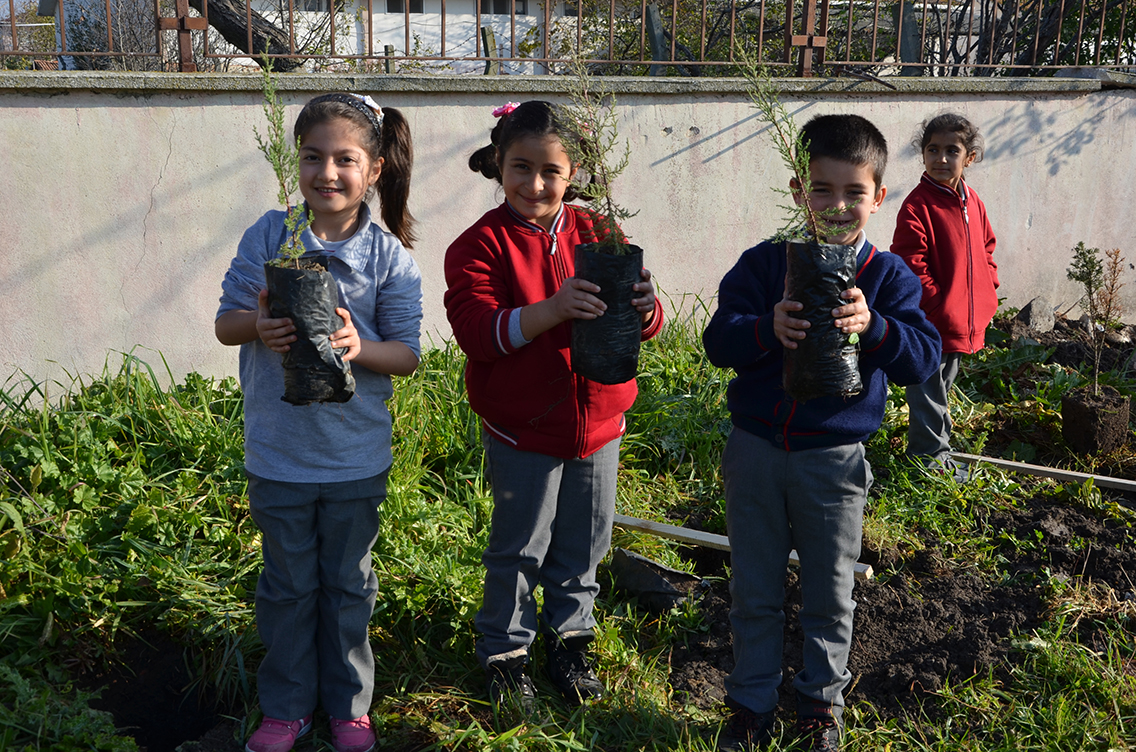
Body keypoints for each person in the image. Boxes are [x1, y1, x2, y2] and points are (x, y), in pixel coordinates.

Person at [702, 114, 940, 751]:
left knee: (830, 593)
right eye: (821, 189)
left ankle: (819, 708)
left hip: (833, 461)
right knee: (753, 587)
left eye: (853, 192)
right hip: (754, 452)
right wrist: (766, 328)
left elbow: (923, 358)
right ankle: (751, 704)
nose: (837, 206)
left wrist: (876, 326)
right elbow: (718, 341)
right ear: (797, 190)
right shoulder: (764, 265)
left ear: (878, 197)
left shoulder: (887, 277)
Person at [215, 92, 422, 752]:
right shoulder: (270, 235)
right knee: (287, 587)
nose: (326, 173)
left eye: (344, 159)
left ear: (375, 168)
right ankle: (286, 707)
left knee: (348, 587)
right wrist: (259, 325)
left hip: (354, 460)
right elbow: (225, 325)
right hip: (278, 456)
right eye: (312, 157)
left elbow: (407, 354)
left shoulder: (389, 257)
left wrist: (360, 347)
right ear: (295, 161)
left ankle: (349, 707)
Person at [443, 100, 664, 713]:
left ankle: (571, 642)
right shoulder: (480, 245)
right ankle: (506, 651)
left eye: (551, 171)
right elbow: (479, 334)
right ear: (498, 163)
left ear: (575, 173)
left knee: (585, 542)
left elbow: (643, 324)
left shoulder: (599, 231)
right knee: (520, 546)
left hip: (600, 425)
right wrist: (553, 310)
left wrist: (646, 307)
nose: (535, 184)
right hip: (524, 429)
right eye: (521, 167)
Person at [891, 113, 998, 481]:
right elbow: (910, 263)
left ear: (969, 158)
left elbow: (986, 248)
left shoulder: (973, 201)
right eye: (933, 150)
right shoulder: (917, 205)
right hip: (931, 321)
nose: (941, 158)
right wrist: (937, 304)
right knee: (928, 390)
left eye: (952, 151)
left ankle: (936, 451)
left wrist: (989, 291)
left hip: (960, 322)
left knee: (942, 386)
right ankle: (929, 459)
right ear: (922, 154)